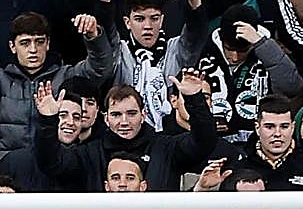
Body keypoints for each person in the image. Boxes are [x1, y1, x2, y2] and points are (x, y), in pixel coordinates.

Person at [0, 10, 115, 164]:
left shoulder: (66, 76)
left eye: (39, 42)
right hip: (10, 168)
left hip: (56, 166)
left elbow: (100, 69)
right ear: (12, 46)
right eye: (25, 43)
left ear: (48, 44)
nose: (33, 49)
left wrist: (93, 36)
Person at [34, 72, 216, 192]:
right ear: (106, 118)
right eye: (116, 115)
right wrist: (48, 120)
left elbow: (204, 142)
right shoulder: (90, 153)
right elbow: (51, 162)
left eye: (131, 113)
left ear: (143, 115)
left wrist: (195, 100)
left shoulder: (166, 147)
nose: (124, 122)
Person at [193, 3, 303, 139]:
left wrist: (261, 44)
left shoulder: (270, 54)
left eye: (242, 51)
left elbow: (292, 87)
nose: (235, 57)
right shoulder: (203, 53)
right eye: (229, 49)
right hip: (213, 142)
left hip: (259, 142)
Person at [107, 0, 206, 132]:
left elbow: (195, 33)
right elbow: (105, 33)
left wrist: (194, 2)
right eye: (139, 19)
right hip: (126, 133)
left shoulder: (176, 49)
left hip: (170, 134)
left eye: (154, 19)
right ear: (127, 22)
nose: (147, 26)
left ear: (161, 20)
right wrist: (104, 1)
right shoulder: (119, 51)